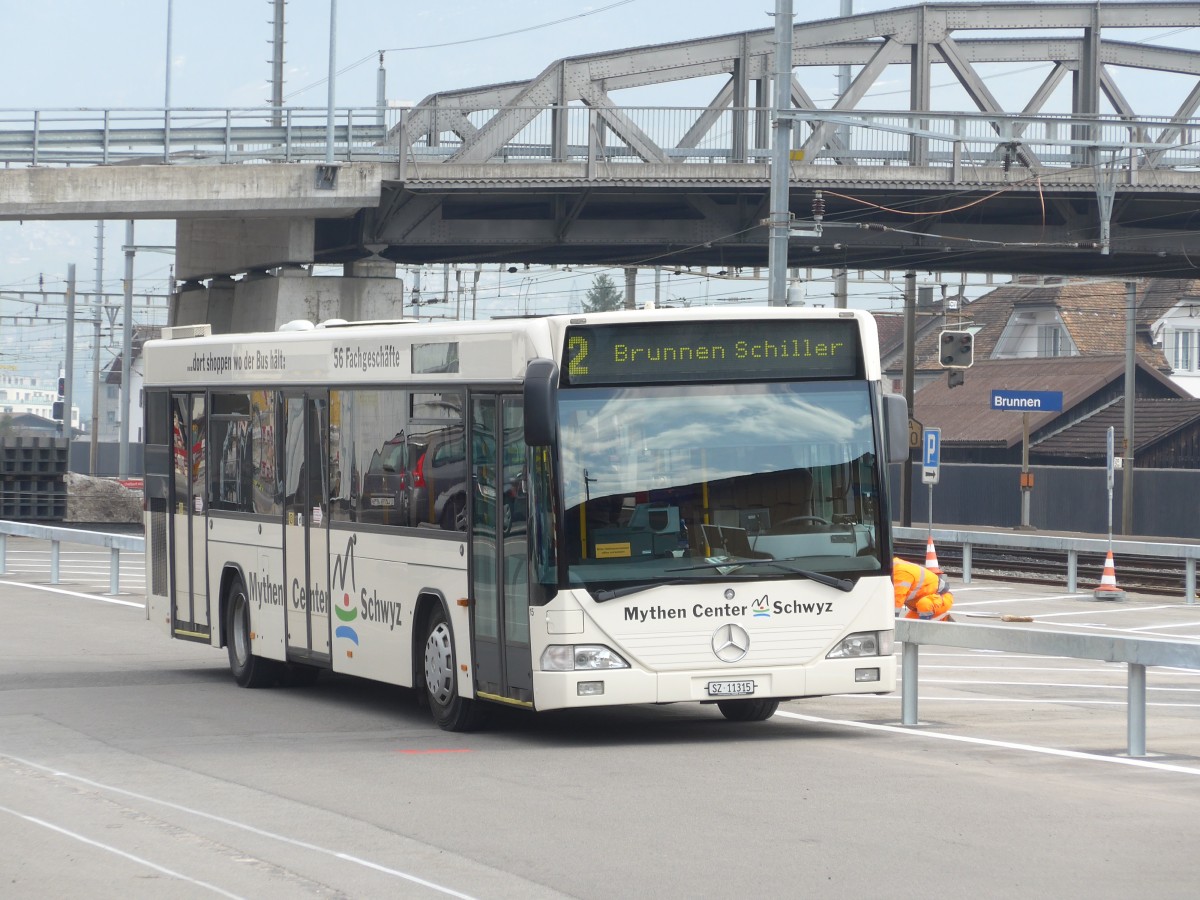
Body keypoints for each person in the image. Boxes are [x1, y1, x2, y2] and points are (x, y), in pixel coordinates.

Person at [892, 556, 954, 621]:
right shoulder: (894, 565)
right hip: (921, 605)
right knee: (907, 627)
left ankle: (930, 625)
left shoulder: (900, 574)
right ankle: (942, 621)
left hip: (940, 598)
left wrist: (892, 622)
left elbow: (897, 601)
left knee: (924, 604)